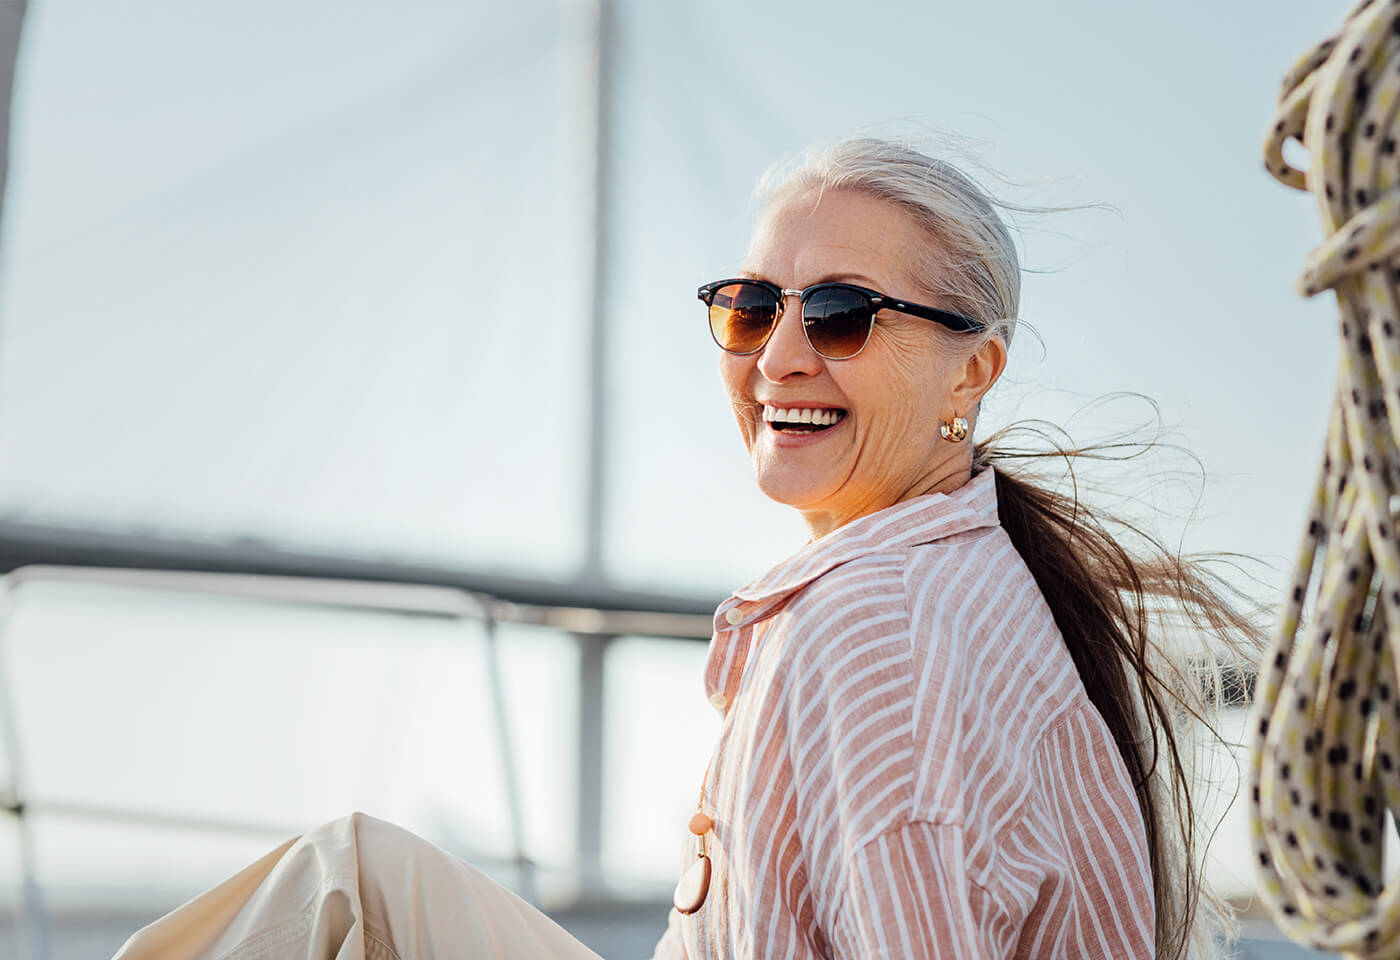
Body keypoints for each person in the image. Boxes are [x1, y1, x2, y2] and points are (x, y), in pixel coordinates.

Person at [115, 138, 1260, 960]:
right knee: (354, 875)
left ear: (972, 370)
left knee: (338, 894)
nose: (778, 358)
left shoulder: (872, 627)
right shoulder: (962, 579)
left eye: (843, 313)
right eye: (753, 306)